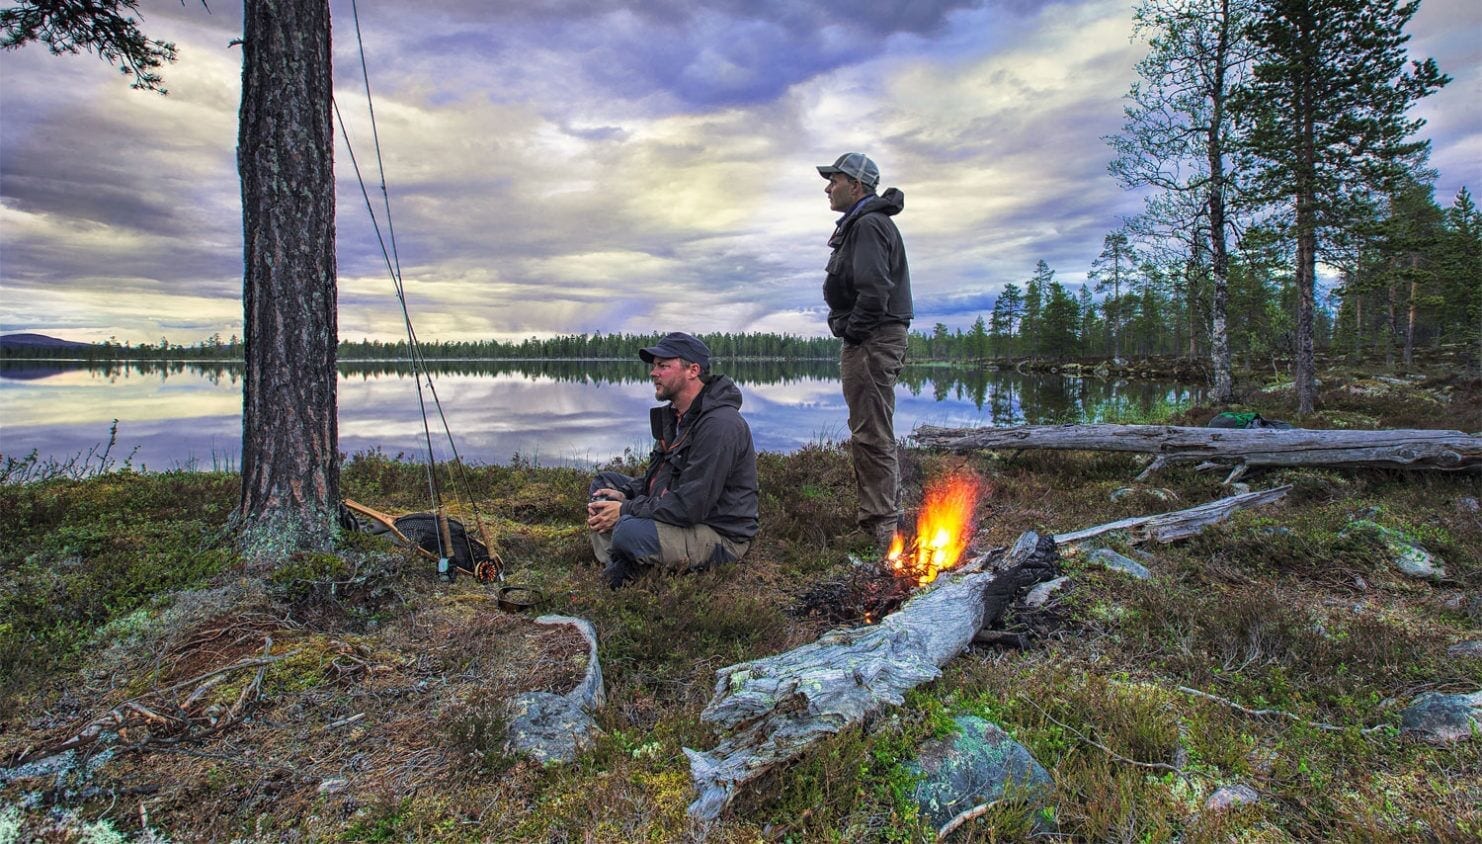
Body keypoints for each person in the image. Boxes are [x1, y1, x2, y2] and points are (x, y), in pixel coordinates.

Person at [585, 332, 759, 588]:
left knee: (627, 529)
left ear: (693, 370)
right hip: (681, 513)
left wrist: (625, 509)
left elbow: (690, 507)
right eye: (654, 366)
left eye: (663, 366)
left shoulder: (720, 425)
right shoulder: (677, 417)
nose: (653, 373)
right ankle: (624, 560)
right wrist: (626, 495)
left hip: (718, 534)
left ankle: (625, 563)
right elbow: (659, 480)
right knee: (604, 484)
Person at [817, 152, 913, 551]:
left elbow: (875, 291)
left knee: (872, 433)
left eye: (834, 180)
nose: (827, 187)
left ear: (856, 185)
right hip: (869, 339)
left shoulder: (870, 225)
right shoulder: (863, 224)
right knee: (869, 430)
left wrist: (853, 333)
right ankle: (876, 520)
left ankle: (881, 532)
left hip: (872, 340)